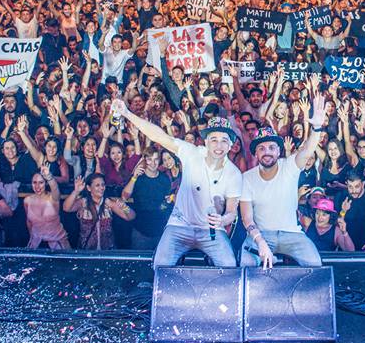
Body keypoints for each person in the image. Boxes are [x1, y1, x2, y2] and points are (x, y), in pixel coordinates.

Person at [117, 100, 241, 268]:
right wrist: (126, 113)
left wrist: (221, 220)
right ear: (205, 141)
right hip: (179, 226)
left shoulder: (234, 173)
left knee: (229, 264)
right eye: (214, 139)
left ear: (231, 145)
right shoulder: (192, 153)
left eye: (224, 140)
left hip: (211, 232)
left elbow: (232, 212)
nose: (218, 145)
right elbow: (158, 136)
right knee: (160, 265)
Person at [239, 94, 327, 269]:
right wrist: (260, 242)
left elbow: (308, 150)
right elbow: (247, 219)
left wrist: (317, 128)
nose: (267, 152)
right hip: (262, 235)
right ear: (256, 154)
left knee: (315, 264)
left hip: (292, 235)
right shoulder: (247, 178)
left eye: (272, 147)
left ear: (279, 152)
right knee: (245, 262)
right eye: (261, 148)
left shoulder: (289, 166)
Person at [24, 169, 70, 250]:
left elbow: (55, 189)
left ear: (46, 184)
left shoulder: (53, 198)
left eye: (41, 182)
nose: (37, 186)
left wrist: (49, 177)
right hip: (36, 244)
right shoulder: (27, 200)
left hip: (57, 243)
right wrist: (32, 238)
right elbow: (29, 222)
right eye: (34, 182)